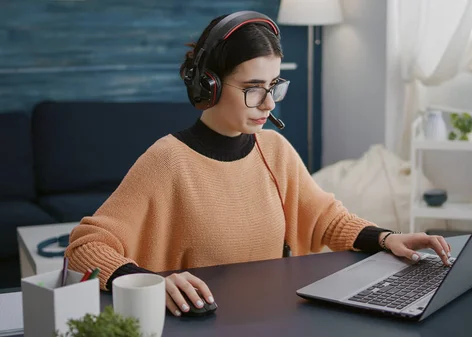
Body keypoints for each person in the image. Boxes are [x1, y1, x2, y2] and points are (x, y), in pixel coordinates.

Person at [65, 11, 452, 317]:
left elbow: (325, 219)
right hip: (198, 323)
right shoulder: (167, 160)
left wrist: (387, 238)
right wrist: (146, 282)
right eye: (253, 89)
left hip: (274, 317)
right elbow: (86, 246)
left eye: (274, 87)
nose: (269, 104)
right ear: (208, 86)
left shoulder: (274, 149)